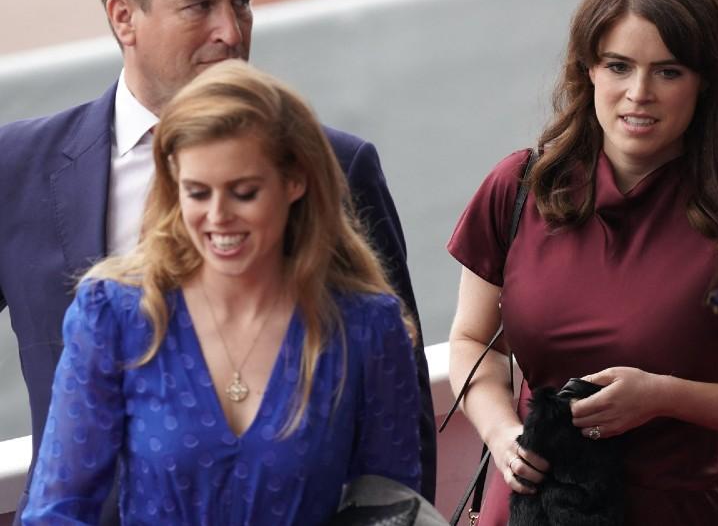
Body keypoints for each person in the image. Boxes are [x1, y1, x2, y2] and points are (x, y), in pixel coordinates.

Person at [0, 0, 437, 519]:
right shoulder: (16, 167)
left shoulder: (337, 167)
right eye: (199, 5)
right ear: (125, 18)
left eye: (242, 2)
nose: (231, 32)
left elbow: (400, 447)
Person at [445, 0, 718, 525]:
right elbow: (469, 339)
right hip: (531, 510)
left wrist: (664, 395)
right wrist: (501, 431)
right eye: (619, 66)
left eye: (669, 71)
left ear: (705, 83)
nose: (639, 93)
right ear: (588, 69)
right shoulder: (519, 188)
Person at [20, 60, 423, 524]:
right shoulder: (115, 315)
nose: (217, 216)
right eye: (196, 192)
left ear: (295, 181)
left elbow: (392, 511)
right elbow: (57, 510)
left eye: (244, 192)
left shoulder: (367, 328)